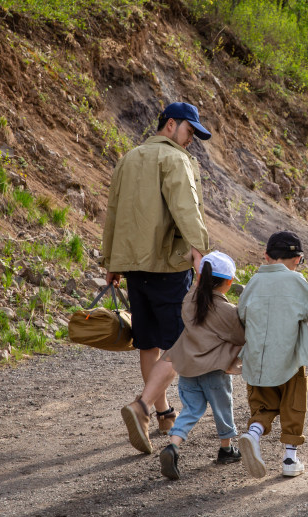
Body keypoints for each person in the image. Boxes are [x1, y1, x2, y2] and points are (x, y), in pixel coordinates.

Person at [102, 102, 212, 452]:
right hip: (167, 266)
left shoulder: (129, 158)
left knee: (148, 343)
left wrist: (112, 261)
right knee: (182, 345)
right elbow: (186, 207)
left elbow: (114, 212)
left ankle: (164, 413)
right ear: (170, 125)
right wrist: (199, 251)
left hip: (134, 267)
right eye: (189, 130)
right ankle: (142, 407)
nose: (191, 138)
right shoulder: (175, 159)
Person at [236, 231, 308, 478]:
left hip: (256, 360)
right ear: (298, 259)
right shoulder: (296, 281)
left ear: (266, 256)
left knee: (264, 405)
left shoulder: (253, 283)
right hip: (289, 358)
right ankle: (290, 460)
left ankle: (253, 434)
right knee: (293, 403)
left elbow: (241, 316)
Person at [157, 251, 246, 480]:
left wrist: (195, 260)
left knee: (191, 409)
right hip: (214, 370)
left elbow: (198, 282)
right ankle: (226, 449)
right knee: (222, 407)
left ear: (200, 278)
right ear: (229, 282)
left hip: (187, 367)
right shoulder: (227, 311)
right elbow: (240, 337)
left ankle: (173, 445)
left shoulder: (190, 299)